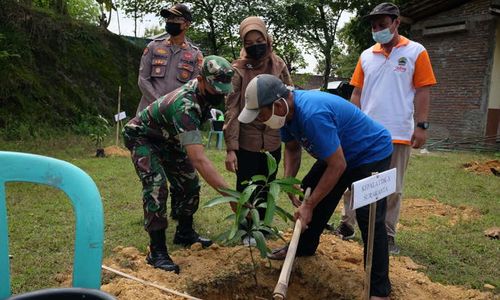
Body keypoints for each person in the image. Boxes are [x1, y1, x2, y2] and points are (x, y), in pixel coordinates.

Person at [238, 74, 394, 299]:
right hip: (341, 152)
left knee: (369, 218)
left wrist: (309, 205)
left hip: (370, 152)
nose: (261, 120)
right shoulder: (285, 117)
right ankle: (304, 247)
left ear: (279, 104)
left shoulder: (312, 114)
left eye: (261, 114)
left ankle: (379, 289)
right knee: (309, 188)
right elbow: (292, 149)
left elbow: (337, 165)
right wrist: (290, 183)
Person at [333, 2, 437, 255]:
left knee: (392, 187)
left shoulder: (416, 51)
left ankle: (388, 235)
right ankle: (347, 225)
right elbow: (357, 92)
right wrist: (350, 125)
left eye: (382, 25)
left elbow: (423, 90)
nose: (377, 29)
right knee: (355, 183)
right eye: (374, 26)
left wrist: (421, 126)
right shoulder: (367, 55)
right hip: (364, 134)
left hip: (398, 133)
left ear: (396, 23)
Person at [123, 56, 234, 274]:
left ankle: (184, 232)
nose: (219, 95)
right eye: (215, 89)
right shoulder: (185, 105)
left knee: (189, 182)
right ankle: (157, 251)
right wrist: (232, 196)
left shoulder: (205, 95)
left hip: (169, 139)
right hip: (143, 137)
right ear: (201, 80)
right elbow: (199, 158)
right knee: (156, 185)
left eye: (223, 90)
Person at [224, 16, 293, 245]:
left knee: (268, 186)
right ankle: (246, 229)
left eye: (259, 39)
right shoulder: (239, 69)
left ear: (266, 38)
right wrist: (231, 149)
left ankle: (262, 226)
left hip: (273, 139)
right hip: (248, 141)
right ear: (244, 44)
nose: (255, 45)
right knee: (247, 187)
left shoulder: (278, 65)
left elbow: (288, 100)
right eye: (249, 41)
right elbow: (232, 109)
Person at [136, 3, 203, 220]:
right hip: (149, 122)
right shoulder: (153, 47)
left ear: (186, 24)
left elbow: (193, 87)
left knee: (182, 170)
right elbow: (143, 79)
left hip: (176, 125)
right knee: (155, 176)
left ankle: (180, 213)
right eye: (168, 19)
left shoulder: (194, 55)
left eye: (175, 20)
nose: (170, 23)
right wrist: (161, 103)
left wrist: (176, 109)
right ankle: (155, 216)